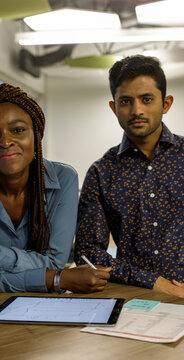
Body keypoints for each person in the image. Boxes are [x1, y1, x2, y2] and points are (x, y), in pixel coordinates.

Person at [0, 83, 111, 293]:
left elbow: (54, 263)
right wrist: (53, 280)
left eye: (17, 130)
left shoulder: (64, 179)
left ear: (36, 134)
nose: (5, 142)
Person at [74, 55, 184, 298]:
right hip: (132, 297)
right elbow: (86, 252)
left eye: (147, 99)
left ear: (165, 104)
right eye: (126, 101)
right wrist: (154, 282)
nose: (137, 111)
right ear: (114, 107)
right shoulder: (101, 172)